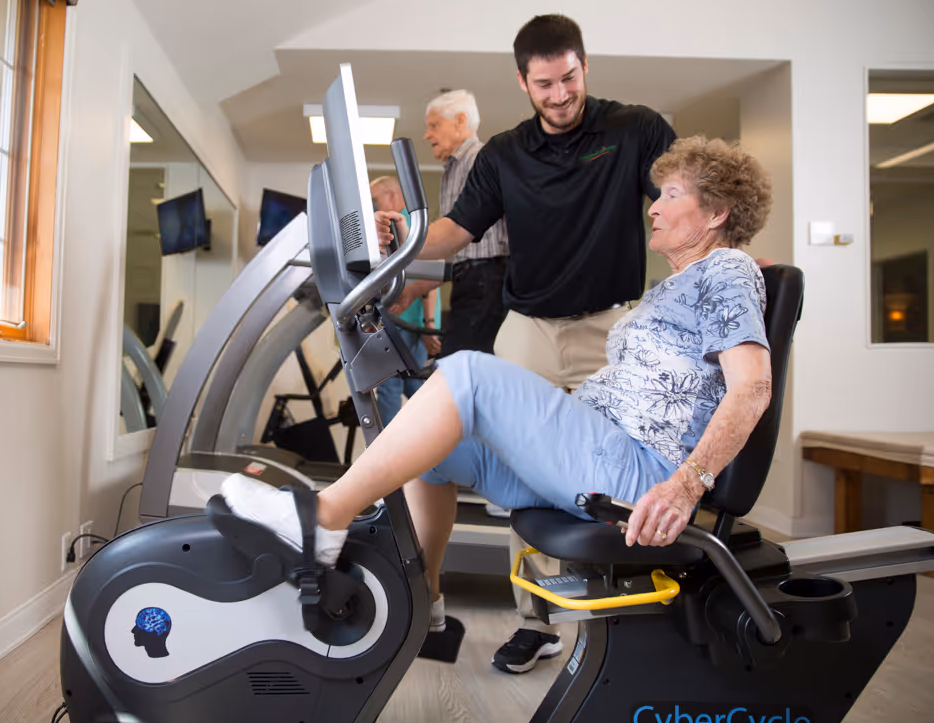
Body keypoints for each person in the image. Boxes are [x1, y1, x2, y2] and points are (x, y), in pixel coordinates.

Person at [219, 136, 774, 668]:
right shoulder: (681, 284)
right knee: (431, 447)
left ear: (717, 213)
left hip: (636, 472)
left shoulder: (725, 271)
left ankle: (321, 521)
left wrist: (685, 485)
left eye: (672, 194)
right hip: (601, 449)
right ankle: (424, 604)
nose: (655, 205)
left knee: (469, 373)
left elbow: (753, 386)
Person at [378, 14, 679, 673]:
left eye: (569, 77)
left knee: (616, 469)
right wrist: (399, 236)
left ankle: (630, 614)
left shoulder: (635, 130)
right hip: (531, 329)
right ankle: (535, 621)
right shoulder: (506, 154)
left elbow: (678, 207)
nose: (560, 94)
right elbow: (455, 232)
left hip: (613, 327)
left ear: (584, 66)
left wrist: (722, 261)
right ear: (523, 82)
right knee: (528, 475)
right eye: (544, 84)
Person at [392, 90, 508, 357]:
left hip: (490, 282)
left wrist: (408, 241)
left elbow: (482, 251)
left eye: (434, 125)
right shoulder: (454, 168)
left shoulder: (482, 160)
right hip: (472, 280)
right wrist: (413, 291)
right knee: (459, 369)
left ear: (460, 121)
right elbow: (457, 251)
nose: (426, 134)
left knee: (462, 370)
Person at [370, 176, 441, 427]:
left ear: (390, 196)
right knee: (415, 387)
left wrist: (428, 323)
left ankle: (387, 456)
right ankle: (435, 442)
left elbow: (427, 276)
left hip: (407, 322)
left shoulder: (404, 225)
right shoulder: (407, 225)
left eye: (375, 199)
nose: (372, 205)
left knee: (390, 388)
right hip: (404, 321)